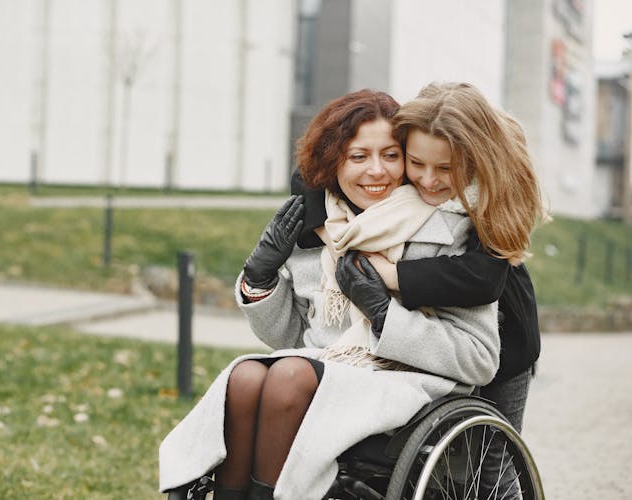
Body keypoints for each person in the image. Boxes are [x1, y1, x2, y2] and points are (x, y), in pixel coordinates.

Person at [159, 89, 500, 500]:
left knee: (288, 375)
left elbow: (480, 360)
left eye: (391, 156)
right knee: (247, 377)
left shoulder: (451, 228)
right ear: (333, 161)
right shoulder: (319, 231)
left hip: (408, 379)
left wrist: (383, 314)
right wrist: (260, 276)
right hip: (327, 369)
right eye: (358, 157)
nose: (377, 171)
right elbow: (294, 339)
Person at [293, 81, 547, 499]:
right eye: (416, 164)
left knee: (491, 474)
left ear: (472, 156)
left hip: (506, 337)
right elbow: (307, 171)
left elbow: (484, 279)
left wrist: (388, 276)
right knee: (434, 474)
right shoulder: (422, 130)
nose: (428, 180)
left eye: (445, 169)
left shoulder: (495, 186)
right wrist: (333, 236)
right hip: (438, 334)